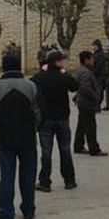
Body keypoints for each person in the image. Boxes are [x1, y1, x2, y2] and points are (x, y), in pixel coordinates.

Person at [0, 54, 40, 219]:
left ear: (3, 67)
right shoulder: (31, 87)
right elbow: (40, 113)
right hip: (28, 139)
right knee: (28, 177)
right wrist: (32, 129)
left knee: (7, 177)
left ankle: (7, 214)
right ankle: (28, 211)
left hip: (5, 140)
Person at [31, 50, 78, 192]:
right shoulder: (63, 76)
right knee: (65, 150)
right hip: (62, 118)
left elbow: (31, 85)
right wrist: (64, 72)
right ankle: (69, 180)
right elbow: (75, 86)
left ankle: (45, 181)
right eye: (62, 61)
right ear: (57, 62)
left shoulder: (39, 77)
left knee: (46, 152)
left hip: (45, 119)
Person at [73, 51, 108, 156]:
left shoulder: (83, 71)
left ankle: (78, 145)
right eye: (91, 59)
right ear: (86, 60)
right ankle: (94, 148)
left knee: (82, 125)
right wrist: (95, 97)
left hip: (83, 102)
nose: (93, 61)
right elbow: (85, 88)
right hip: (86, 103)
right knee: (90, 126)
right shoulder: (86, 73)